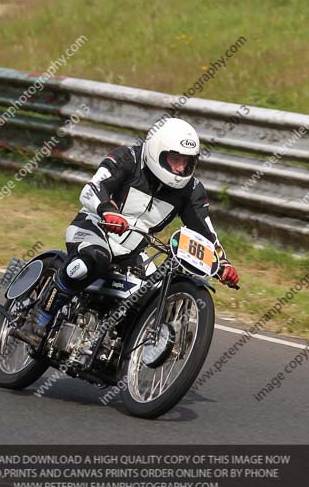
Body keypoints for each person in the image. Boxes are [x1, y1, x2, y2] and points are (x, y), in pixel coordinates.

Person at [26, 118, 239, 344]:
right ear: (157, 151)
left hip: (133, 250)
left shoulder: (192, 190)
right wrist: (108, 211)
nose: (180, 168)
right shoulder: (127, 158)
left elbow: (206, 232)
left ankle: (116, 346)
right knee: (93, 260)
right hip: (93, 228)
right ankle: (41, 315)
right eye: (174, 159)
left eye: (187, 162)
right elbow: (93, 188)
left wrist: (222, 263)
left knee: (153, 293)